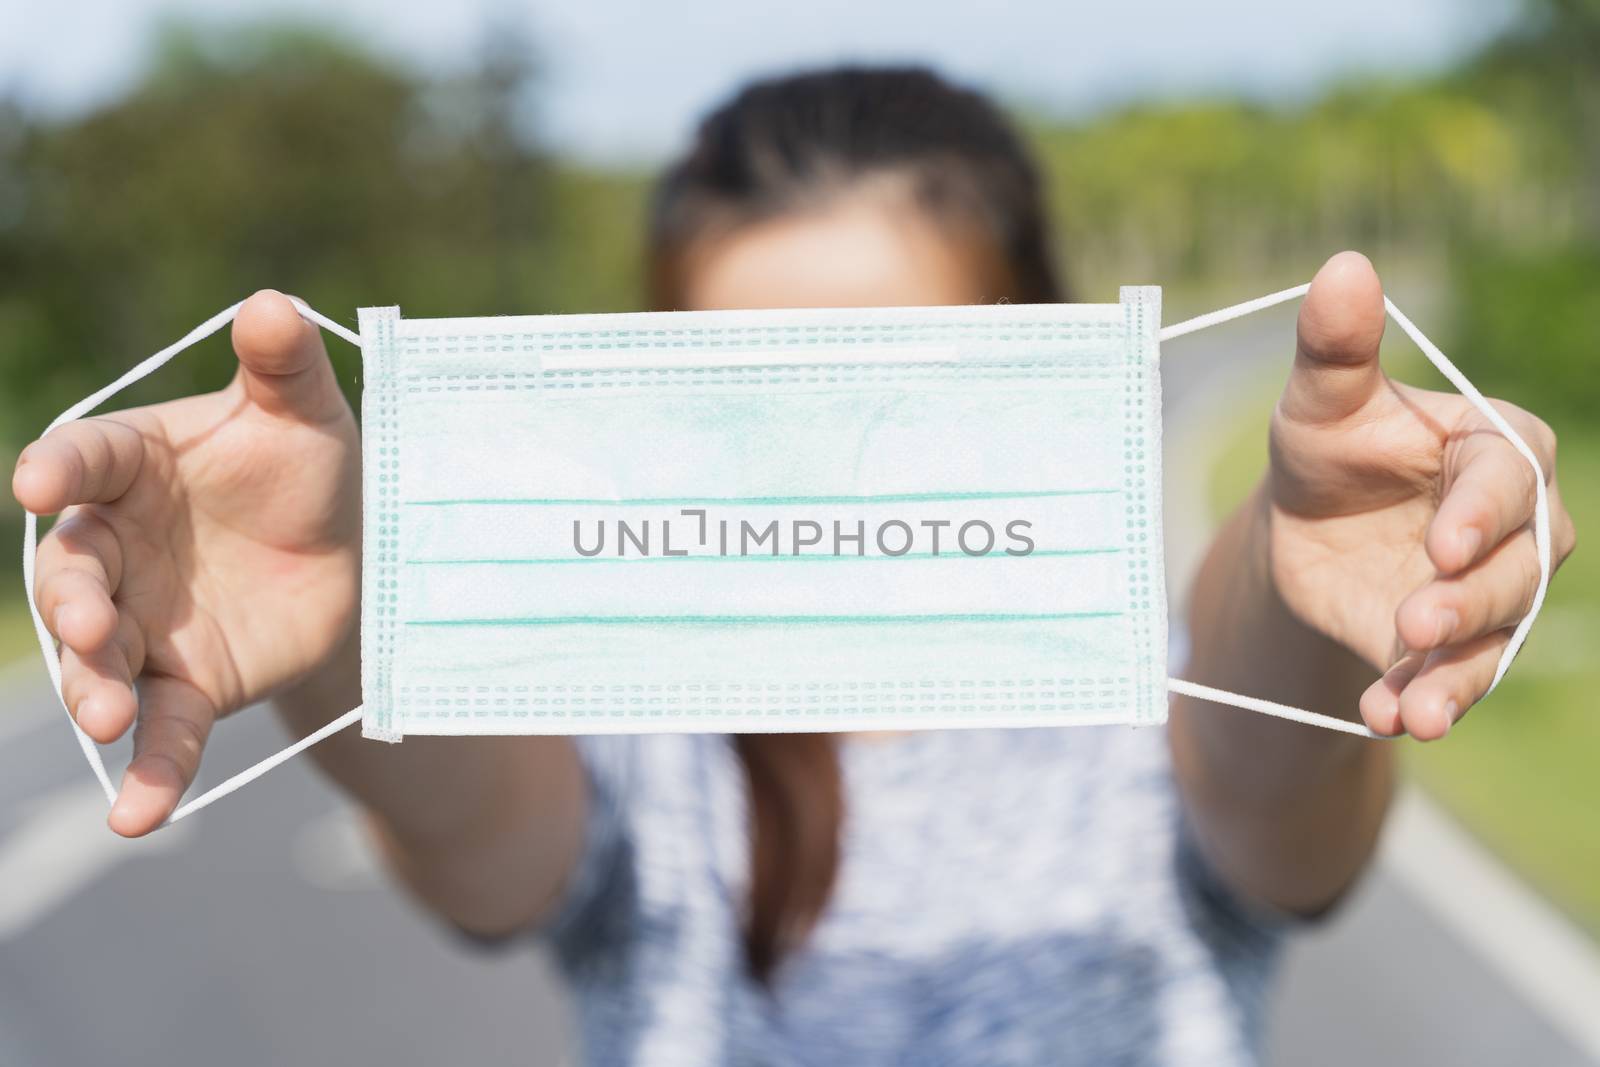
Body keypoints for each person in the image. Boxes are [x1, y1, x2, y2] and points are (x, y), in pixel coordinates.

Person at [11, 67, 1576, 1064]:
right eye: (753, 403)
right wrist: (354, 607)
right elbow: (491, 833)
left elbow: (1252, 725)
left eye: (901, 395)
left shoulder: (1128, 719)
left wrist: (1304, 569)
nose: (827, 474)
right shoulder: (651, 741)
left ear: (1062, 366)